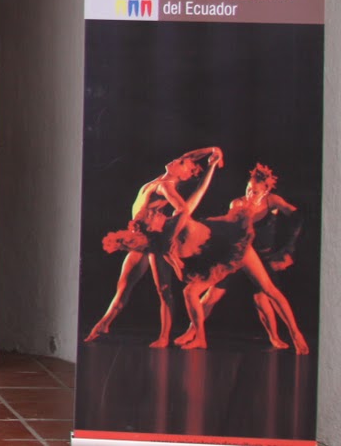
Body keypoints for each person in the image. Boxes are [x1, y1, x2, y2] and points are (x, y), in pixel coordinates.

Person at [84, 146, 222, 347]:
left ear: (184, 174)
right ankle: (104, 324)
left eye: (181, 163)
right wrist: (213, 150)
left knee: (163, 289)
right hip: (139, 239)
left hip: (153, 242)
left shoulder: (165, 186)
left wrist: (169, 237)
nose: (177, 160)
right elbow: (188, 156)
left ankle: (164, 337)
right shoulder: (162, 178)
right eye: (179, 159)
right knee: (123, 286)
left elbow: (183, 210)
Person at [171, 164, 307, 352]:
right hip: (237, 253)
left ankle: (288, 335)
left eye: (255, 191)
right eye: (248, 189)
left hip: (261, 256)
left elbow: (297, 218)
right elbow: (230, 228)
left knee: (264, 297)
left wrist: (288, 249)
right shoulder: (238, 204)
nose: (250, 194)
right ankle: (192, 331)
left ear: (266, 190)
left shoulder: (272, 201)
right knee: (211, 295)